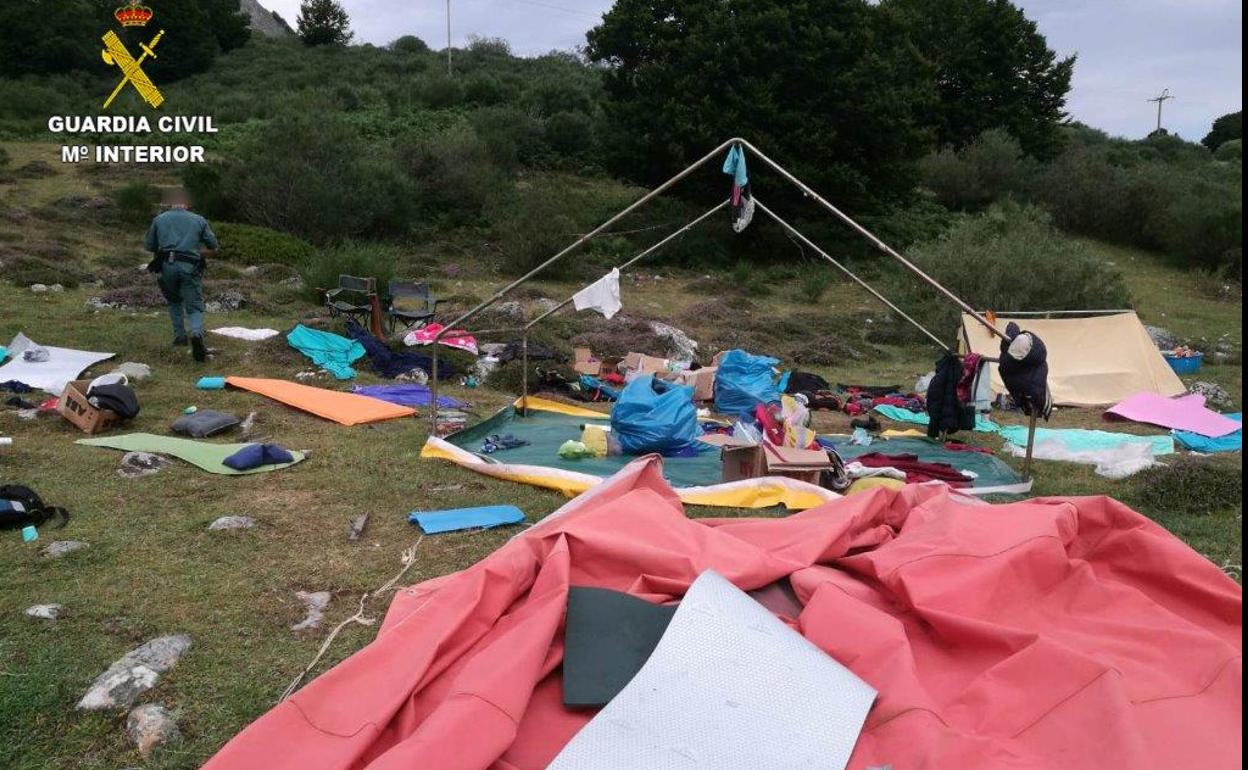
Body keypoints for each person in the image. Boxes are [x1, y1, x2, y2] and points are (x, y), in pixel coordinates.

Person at [144, 189, 218, 362]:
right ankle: (196, 333)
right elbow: (213, 245)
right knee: (194, 306)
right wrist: (199, 253)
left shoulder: (159, 219)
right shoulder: (199, 220)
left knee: (174, 301)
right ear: (186, 203)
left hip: (165, 267)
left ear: (171, 203)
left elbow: (149, 245)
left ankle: (180, 337)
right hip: (189, 267)